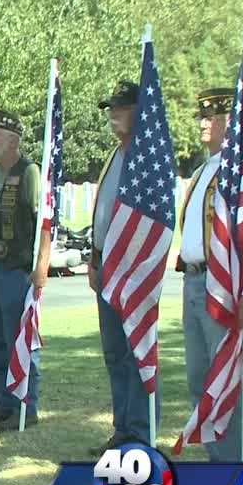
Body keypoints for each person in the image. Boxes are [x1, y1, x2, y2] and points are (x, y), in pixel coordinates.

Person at [178, 88, 243, 463]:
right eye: (201, 116)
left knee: (226, 376)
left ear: (231, 122)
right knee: (200, 377)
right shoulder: (204, 170)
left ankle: (235, 462)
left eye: (213, 117)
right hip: (193, 280)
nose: (204, 123)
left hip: (224, 286)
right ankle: (218, 458)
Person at [89, 80, 159, 454]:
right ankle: (123, 427)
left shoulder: (147, 160)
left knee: (138, 354)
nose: (112, 115)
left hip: (134, 271)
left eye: (120, 107)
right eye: (110, 108)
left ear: (139, 111)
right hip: (107, 268)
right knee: (115, 353)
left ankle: (141, 432)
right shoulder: (114, 156)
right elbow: (102, 212)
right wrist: (94, 256)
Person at [0, 110, 49, 430]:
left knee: (20, 340)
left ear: (14, 140)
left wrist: (42, 263)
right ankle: (5, 403)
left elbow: (44, 220)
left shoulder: (29, 172)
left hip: (18, 270)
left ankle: (26, 408)